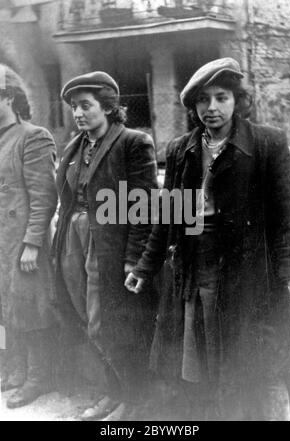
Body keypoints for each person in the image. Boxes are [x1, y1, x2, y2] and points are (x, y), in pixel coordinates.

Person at [125, 58, 290, 420]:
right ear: (193, 107)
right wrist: (145, 266)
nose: (212, 108)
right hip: (196, 269)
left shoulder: (267, 144)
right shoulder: (180, 150)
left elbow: (286, 219)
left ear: (238, 99)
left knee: (251, 363)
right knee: (202, 361)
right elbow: (170, 218)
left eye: (222, 97)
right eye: (203, 101)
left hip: (250, 273)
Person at [54, 71, 158, 421]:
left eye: (86, 106)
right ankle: (112, 392)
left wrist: (134, 259)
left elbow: (144, 205)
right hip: (74, 238)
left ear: (109, 107)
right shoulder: (76, 146)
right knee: (84, 315)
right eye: (73, 107)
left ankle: (133, 398)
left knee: (108, 323)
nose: (78, 113)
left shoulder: (133, 142)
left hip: (109, 243)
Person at [0, 64, 58, 408]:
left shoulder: (32, 136)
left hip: (22, 242)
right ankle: (13, 369)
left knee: (31, 309)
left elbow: (44, 196)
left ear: (8, 97)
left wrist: (33, 243)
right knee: (3, 310)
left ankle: (38, 377)